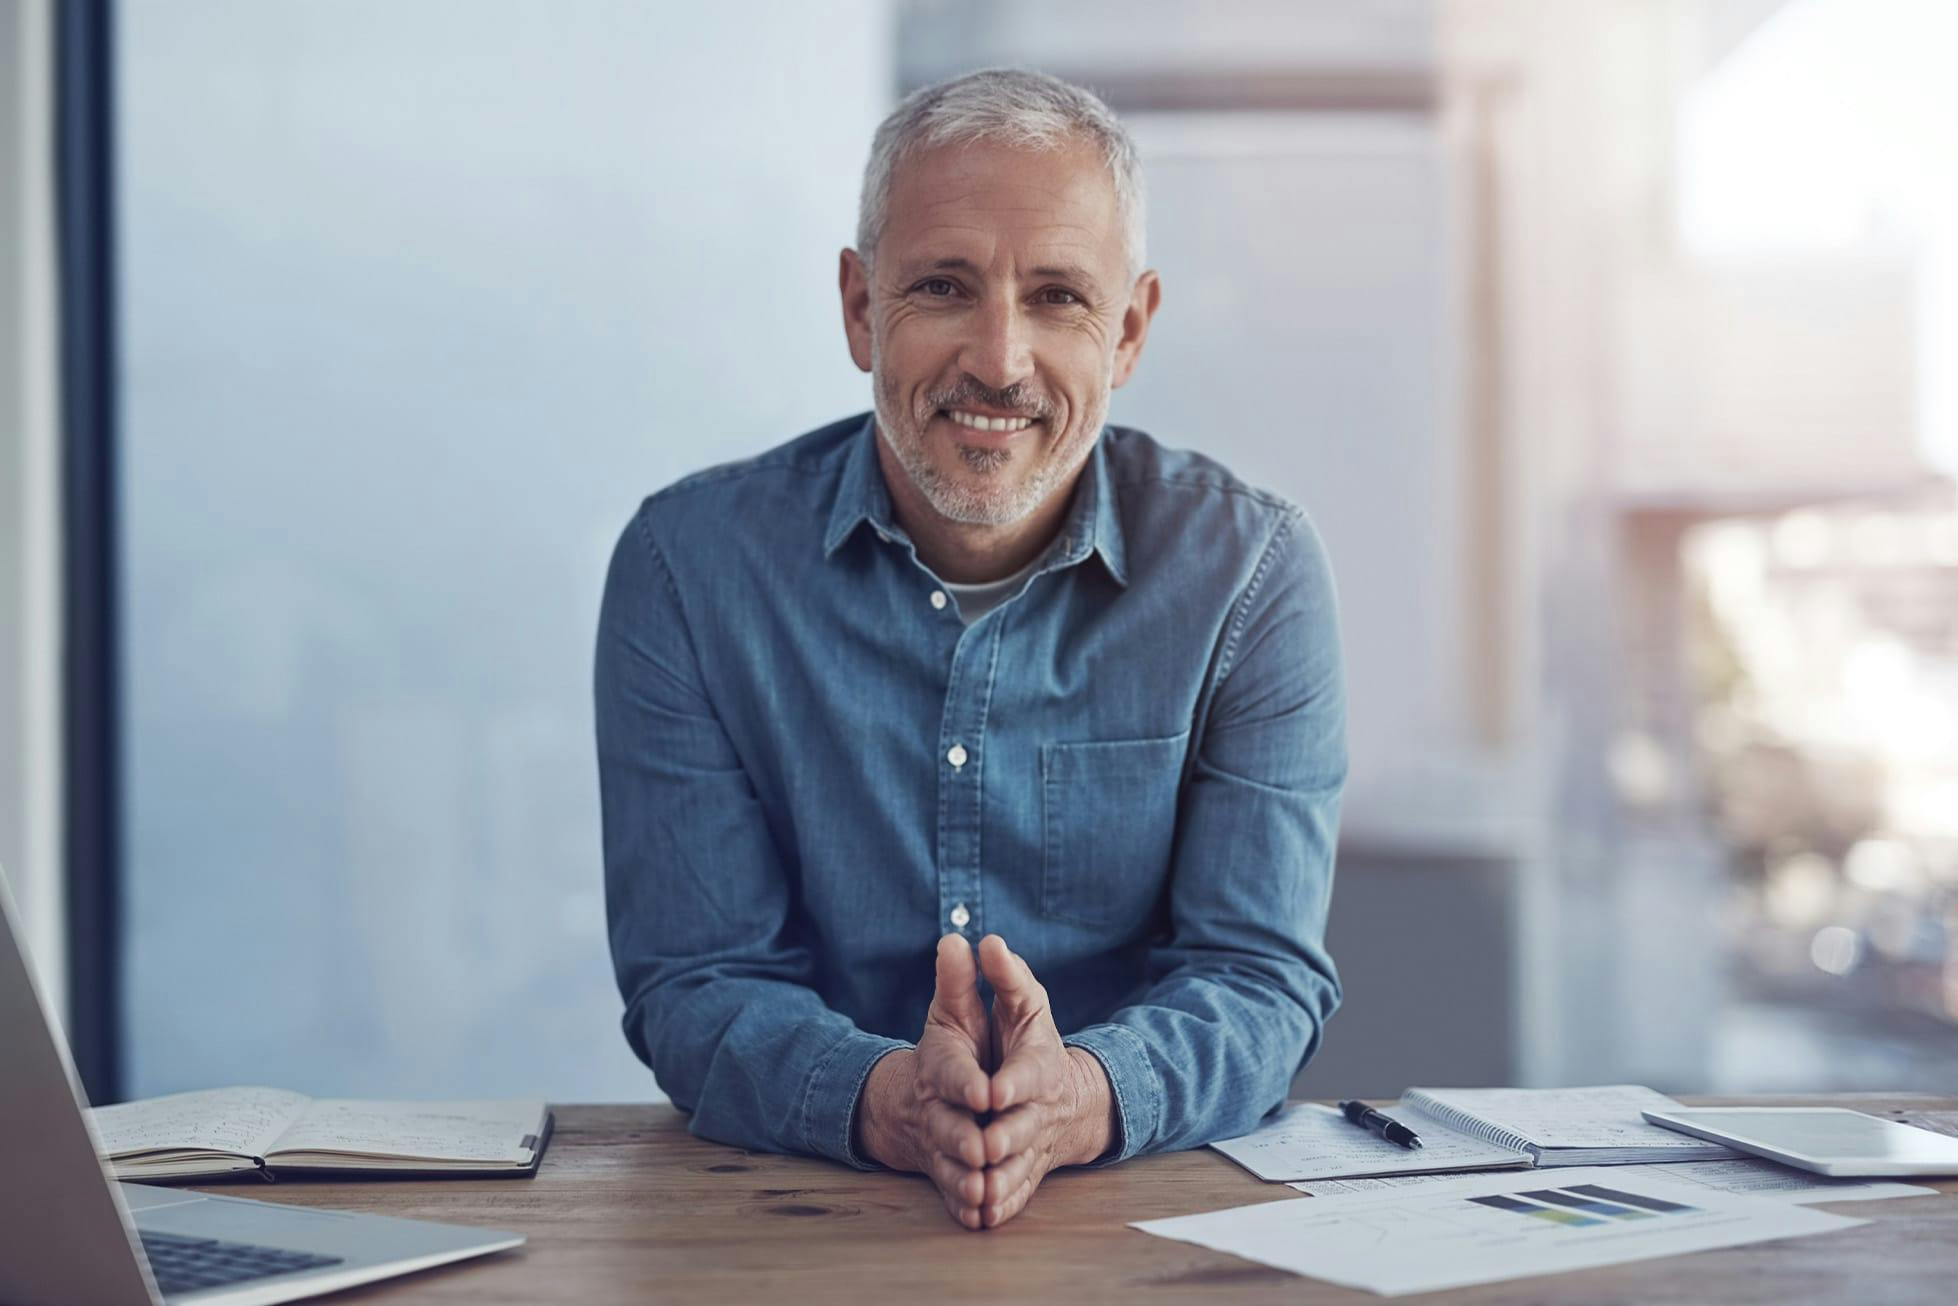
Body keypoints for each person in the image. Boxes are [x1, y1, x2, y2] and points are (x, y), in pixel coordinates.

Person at [596, 67, 1345, 1232]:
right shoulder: (686, 570)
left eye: (1056, 297)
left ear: (1131, 328)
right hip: (795, 1224)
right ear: (859, 308)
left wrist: (1080, 1096)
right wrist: (883, 1098)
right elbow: (697, 981)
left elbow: (1258, 977)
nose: (999, 359)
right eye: (944, 286)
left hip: (1154, 1224)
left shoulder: (1248, 577)